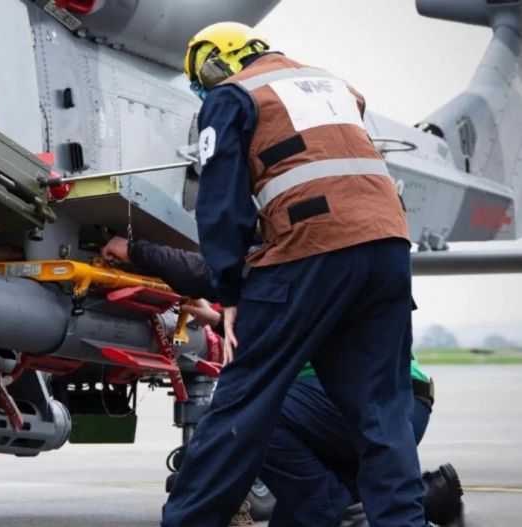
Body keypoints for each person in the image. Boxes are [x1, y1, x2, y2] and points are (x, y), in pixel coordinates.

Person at [159, 21, 426, 527]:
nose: (203, 89)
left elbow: (221, 204)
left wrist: (228, 288)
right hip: (388, 249)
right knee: (381, 415)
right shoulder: (333, 86)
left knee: (244, 402)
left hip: (311, 249)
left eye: (201, 78)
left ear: (218, 62)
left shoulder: (232, 96)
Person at [103, 237, 463, 526]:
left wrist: (134, 249)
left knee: (253, 416)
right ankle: (416, 498)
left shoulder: (295, 245)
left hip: (353, 407)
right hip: (395, 408)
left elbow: (207, 272)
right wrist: (216, 319)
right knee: (296, 515)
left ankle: (347, 510)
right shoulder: (338, 251)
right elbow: (286, 326)